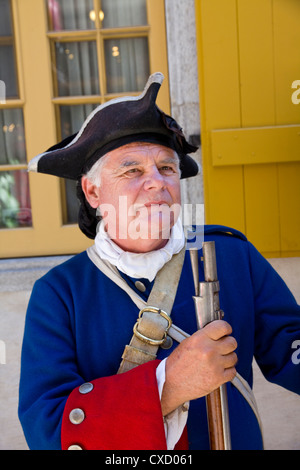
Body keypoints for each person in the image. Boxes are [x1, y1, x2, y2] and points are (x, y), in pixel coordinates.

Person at [18, 73, 300, 450]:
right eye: (132, 170)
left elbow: (291, 348)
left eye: (167, 168)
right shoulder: (59, 293)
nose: (156, 181)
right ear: (93, 190)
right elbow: (48, 429)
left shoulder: (233, 255)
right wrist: (167, 385)